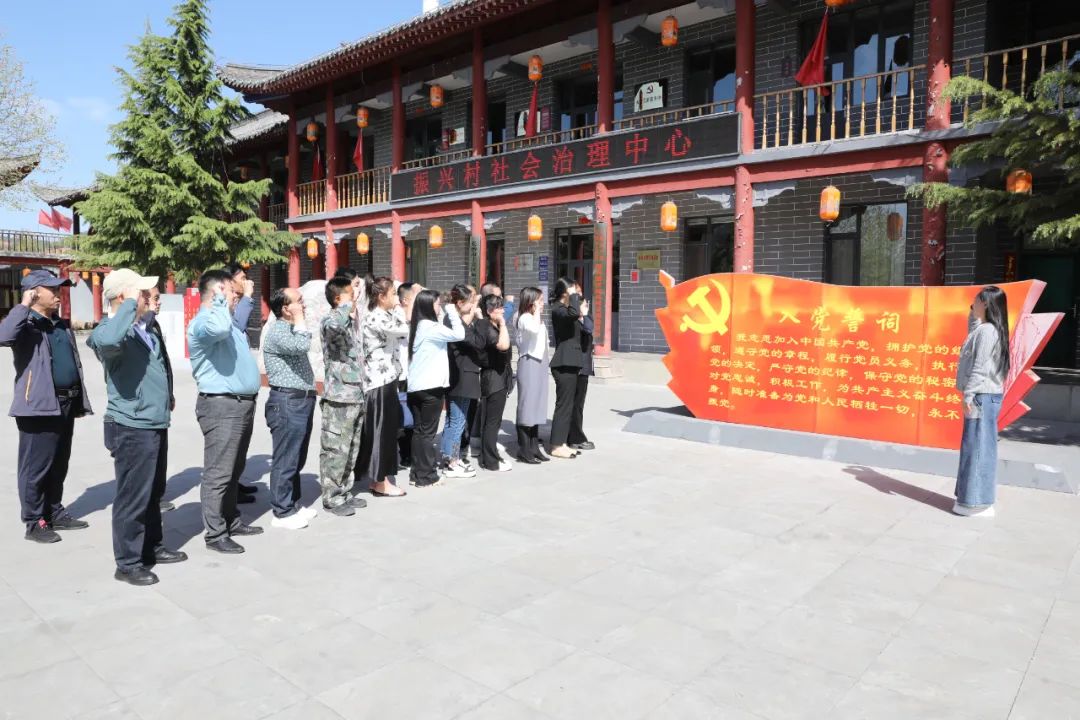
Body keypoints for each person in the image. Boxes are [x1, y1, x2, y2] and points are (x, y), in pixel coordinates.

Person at [89, 269, 187, 586]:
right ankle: (128, 562)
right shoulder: (108, 331)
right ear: (124, 297)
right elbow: (107, 340)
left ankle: (151, 546)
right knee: (133, 496)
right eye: (141, 293)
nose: (148, 298)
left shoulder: (146, 329)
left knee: (153, 492)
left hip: (154, 421)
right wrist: (131, 304)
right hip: (130, 425)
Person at [0, 269, 92, 543]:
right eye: (52, 289)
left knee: (59, 462)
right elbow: (3, 336)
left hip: (66, 401)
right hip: (39, 405)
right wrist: (23, 305)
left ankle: (53, 511)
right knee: (35, 467)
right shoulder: (26, 323)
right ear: (34, 292)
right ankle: (34, 521)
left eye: (59, 288)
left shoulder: (59, 323)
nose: (58, 294)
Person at [187, 269, 265, 554]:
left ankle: (231, 519)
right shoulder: (205, 322)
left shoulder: (227, 321)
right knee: (218, 473)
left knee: (233, 470)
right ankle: (215, 533)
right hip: (221, 406)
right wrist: (221, 300)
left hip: (240, 404)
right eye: (232, 291)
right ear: (218, 291)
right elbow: (218, 330)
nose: (237, 296)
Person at [262, 287, 319, 529]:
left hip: (300, 400)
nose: (303, 304)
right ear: (285, 308)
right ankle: (282, 512)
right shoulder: (278, 330)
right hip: (287, 401)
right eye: (298, 301)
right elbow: (301, 346)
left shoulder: (290, 328)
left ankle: (292, 504)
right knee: (286, 458)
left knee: (296, 457)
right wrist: (299, 318)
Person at [954, 286, 1011, 518]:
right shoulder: (985, 328)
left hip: (981, 397)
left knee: (977, 449)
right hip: (983, 396)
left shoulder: (988, 332)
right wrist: (973, 310)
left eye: (975, 301)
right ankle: (971, 499)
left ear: (985, 304)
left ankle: (976, 502)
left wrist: (968, 395)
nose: (972, 303)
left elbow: (980, 367)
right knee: (975, 447)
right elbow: (973, 325)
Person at [319, 276, 369, 516]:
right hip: (339, 395)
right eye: (350, 292)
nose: (355, 296)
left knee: (351, 448)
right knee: (336, 449)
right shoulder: (331, 319)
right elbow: (335, 327)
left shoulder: (350, 319)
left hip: (356, 393)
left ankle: (344, 491)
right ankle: (332, 497)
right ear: (338, 298)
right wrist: (347, 305)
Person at [406, 289, 465, 487]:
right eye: (438, 304)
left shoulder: (418, 326)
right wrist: (452, 310)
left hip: (416, 387)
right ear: (429, 306)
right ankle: (426, 476)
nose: (440, 307)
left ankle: (417, 474)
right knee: (427, 434)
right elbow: (459, 334)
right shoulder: (431, 327)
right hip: (431, 387)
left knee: (419, 432)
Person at [358, 276, 409, 497]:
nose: (396, 298)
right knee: (382, 433)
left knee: (385, 432)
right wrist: (399, 307)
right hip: (379, 381)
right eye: (393, 294)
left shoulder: (381, 314)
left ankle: (378, 479)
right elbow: (404, 329)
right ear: (381, 296)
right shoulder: (377, 317)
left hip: (386, 378)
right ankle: (380, 481)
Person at [440, 284, 484, 479]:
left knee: (454, 419)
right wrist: (476, 318)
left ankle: (449, 457)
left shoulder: (455, 319)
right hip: (461, 374)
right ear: (459, 303)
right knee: (457, 420)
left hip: (462, 373)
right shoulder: (453, 320)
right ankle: (452, 462)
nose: (473, 305)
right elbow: (475, 342)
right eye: (470, 301)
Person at [225, 262, 259, 501]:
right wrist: (246, 297)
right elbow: (238, 327)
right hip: (230, 390)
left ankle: (235, 483)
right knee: (230, 445)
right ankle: (229, 491)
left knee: (241, 443)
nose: (247, 282)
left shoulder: (236, 303)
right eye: (242, 278)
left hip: (244, 387)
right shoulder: (223, 308)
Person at [142, 288, 178, 513]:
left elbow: (163, 361)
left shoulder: (154, 324)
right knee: (148, 453)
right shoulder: (138, 325)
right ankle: (147, 498)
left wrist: (169, 392)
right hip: (144, 405)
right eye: (155, 299)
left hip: (161, 399)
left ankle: (156, 495)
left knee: (160, 452)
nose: (159, 303)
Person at [513, 286, 551, 464]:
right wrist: (536, 311)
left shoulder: (535, 317)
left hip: (540, 363)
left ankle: (534, 446)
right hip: (529, 362)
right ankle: (524, 449)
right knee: (527, 406)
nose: (543, 304)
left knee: (537, 405)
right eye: (539, 300)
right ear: (531, 301)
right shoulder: (523, 317)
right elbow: (534, 330)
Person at [476, 294, 513, 472]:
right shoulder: (485, 325)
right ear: (490, 310)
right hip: (493, 378)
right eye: (499, 307)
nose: (503, 310)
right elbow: (503, 345)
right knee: (492, 421)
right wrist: (503, 324)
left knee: (493, 421)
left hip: (499, 376)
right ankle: (490, 460)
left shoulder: (491, 324)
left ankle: (489, 455)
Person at [396, 282, 420, 468]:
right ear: (405, 300)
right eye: (415, 297)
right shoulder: (397, 316)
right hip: (401, 374)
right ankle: (405, 454)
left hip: (416, 373)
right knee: (404, 417)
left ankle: (412, 453)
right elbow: (407, 318)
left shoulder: (417, 317)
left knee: (414, 414)